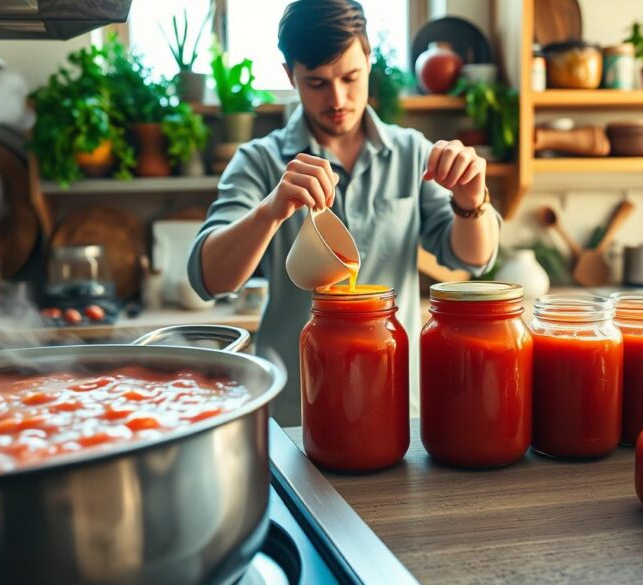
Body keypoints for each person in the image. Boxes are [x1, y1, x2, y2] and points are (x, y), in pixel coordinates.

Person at [187, 0, 499, 426]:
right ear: (289, 76)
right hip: (294, 412)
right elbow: (209, 281)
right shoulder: (259, 161)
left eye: (350, 77)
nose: (337, 99)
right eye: (315, 82)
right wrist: (271, 210)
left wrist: (470, 198)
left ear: (369, 59)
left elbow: (472, 258)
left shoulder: (411, 153)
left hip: (396, 404)